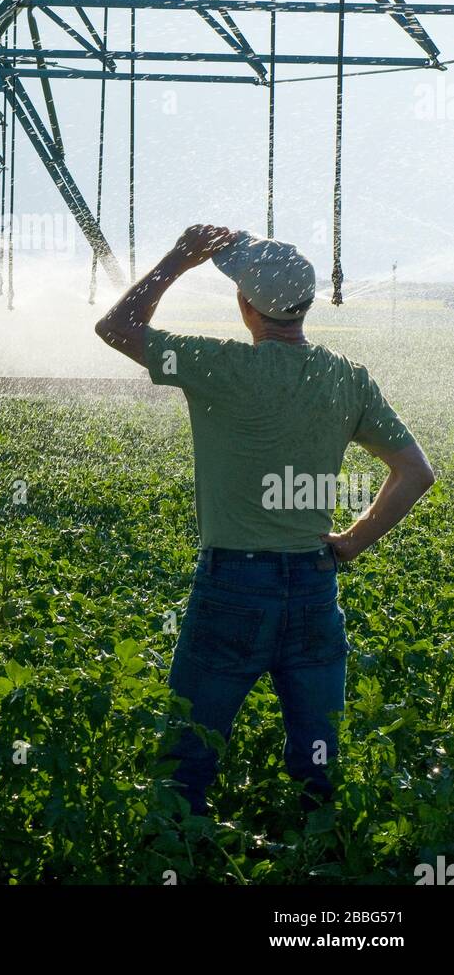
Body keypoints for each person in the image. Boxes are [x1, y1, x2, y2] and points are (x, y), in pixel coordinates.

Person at [95, 224, 435, 815]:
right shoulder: (347, 378)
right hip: (313, 590)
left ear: (245, 306)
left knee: (185, 766)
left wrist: (177, 260)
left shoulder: (216, 363)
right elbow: (415, 473)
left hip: (232, 588)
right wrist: (351, 543)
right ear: (303, 305)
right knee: (317, 772)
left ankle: (175, 853)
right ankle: (318, 868)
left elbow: (117, 328)